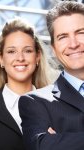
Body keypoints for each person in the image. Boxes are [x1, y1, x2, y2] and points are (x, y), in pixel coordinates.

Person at [0, 17, 57, 150]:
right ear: (1, 59)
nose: (20, 58)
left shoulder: (58, 104)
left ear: (37, 56)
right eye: (11, 51)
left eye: (27, 50)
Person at [18, 1, 84, 150]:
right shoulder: (35, 102)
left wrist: (62, 140)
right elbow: (42, 146)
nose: (73, 44)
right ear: (53, 49)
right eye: (63, 37)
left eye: (81, 33)